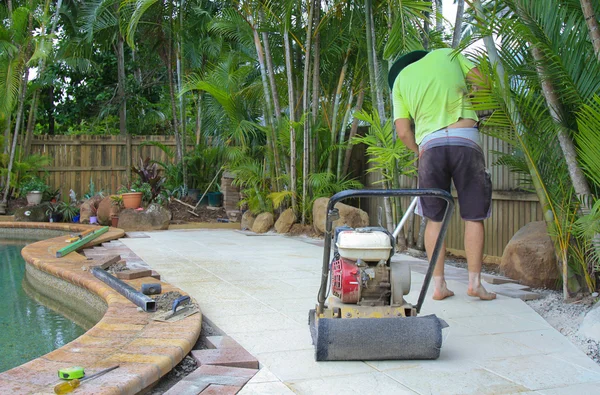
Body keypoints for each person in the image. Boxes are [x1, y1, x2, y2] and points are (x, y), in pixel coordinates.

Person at [388, 48, 495, 301]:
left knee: (434, 219)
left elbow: (403, 132)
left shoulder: (401, 81)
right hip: (465, 139)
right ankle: (475, 284)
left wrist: (419, 151)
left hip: (430, 147)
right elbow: (483, 83)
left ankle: (438, 286)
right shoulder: (448, 53)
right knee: (473, 216)